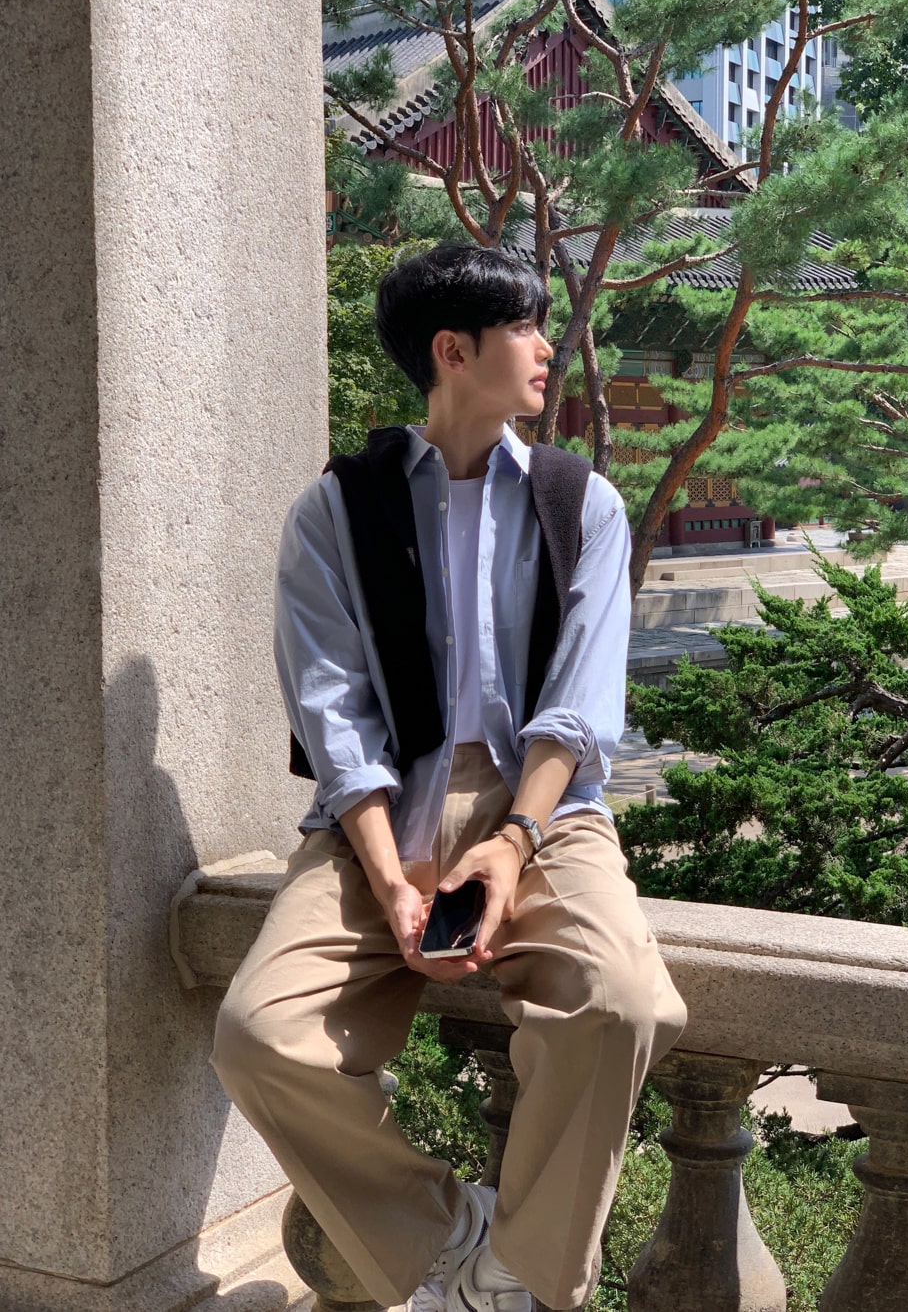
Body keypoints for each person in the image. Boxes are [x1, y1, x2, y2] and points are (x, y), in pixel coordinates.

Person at [211, 244, 686, 1312]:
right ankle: (446, 1231)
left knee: (618, 999)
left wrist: (511, 845)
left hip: (542, 806)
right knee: (258, 1033)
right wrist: (391, 879)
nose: (547, 347)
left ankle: (516, 1277)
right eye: (524, 325)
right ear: (452, 351)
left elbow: (577, 707)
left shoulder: (579, 504)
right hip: (378, 813)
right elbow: (333, 715)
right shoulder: (337, 510)